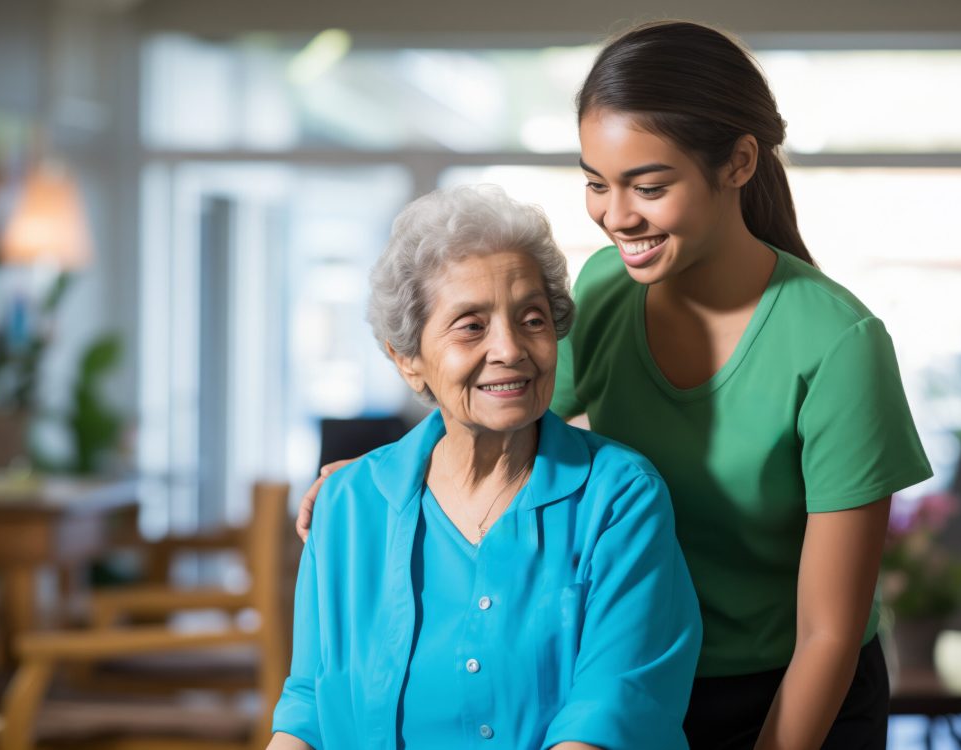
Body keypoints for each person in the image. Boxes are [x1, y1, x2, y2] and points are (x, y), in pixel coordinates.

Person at [297, 21, 934, 750]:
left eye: (649, 186)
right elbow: (506, 402)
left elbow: (828, 631)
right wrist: (383, 481)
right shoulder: (608, 288)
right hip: (641, 666)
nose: (615, 215)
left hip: (792, 689)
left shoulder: (838, 346)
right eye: (596, 184)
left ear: (738, 163)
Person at [269, 185, 702, 750]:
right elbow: (308, 706)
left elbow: (612, 710)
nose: (511, 348)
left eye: (532, 319)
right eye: (471, 326)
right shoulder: (348, 503)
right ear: (407, 358)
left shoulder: (621, 498)